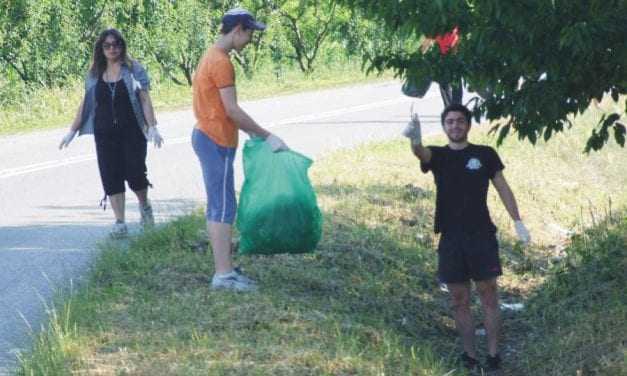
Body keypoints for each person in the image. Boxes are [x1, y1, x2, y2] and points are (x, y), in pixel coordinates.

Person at [403, 104, 530, 372]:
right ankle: (470, 355)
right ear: (444, 126)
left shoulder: (484, 154)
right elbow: (420, 153)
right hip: (451, 238)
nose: (455, 126)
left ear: (468, 125)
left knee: (489, 294)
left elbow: (503, 187)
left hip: (481, 235)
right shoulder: (438, 156)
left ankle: (494, 354)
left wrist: (517, 220)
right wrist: (415, 138)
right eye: (449, 122)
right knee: (459, 299)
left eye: (460, 121)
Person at [192, 8, 289, 292]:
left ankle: (227, 268)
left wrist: (252, 133)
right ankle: (223, 275)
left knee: (221, 203)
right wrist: (267, 136)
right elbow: (232, 110)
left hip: (209, 135)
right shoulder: (221, 62)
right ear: (237, 30)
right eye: (249, 33)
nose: (250, 40)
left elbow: (225, 109)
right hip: (215, 139)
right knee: (222, 206)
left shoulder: (210, 55)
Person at [59, 28, 163, 238]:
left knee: (135, 173)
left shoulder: (134, 70)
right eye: (107, 45)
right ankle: (120, 222)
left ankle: (145, 208)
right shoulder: (94, 74)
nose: (112, 49)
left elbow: (144, 99)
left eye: (116, 44)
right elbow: (86, 103)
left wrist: (152, 126)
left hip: (132, 131)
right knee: (111, 175)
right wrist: (72, 130)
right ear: (101, 49)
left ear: (122, 46)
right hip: (105, 134)